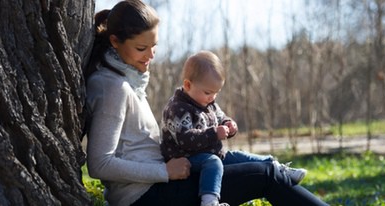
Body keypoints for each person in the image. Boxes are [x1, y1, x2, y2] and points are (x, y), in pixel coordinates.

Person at [84, 0, 329, 206]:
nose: (150, 56)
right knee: (265, 175)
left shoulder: (128, 80)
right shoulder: (113, 88)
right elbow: (99, 164)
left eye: (154, 46)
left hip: (158, 184)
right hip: (144, 197)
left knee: (252, 166)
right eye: (141, 48)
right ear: (115, 42)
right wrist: (164, 171)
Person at [160, 51, 308, 206]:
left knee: (239, 156)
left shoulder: (207, 102)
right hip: (186, 157)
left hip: (210, 152)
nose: (212, 98)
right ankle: (209, 201)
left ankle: (277, 168)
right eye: (208, 92)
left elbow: (220, 117)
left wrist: (229, 124)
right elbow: (185, 139)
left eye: (216, 93)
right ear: (188, 85)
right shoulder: (178, 109)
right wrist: (214, 133)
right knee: (213, 163)